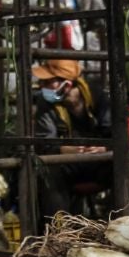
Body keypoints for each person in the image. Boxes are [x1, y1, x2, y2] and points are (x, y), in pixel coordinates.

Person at [32, 59, 112, 218]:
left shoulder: (98, 97)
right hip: (67, 164)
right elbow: (44, 143)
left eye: (48, 81)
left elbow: (116, 136)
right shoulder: (46, 105)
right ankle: (60, 230)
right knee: (48, 171)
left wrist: (103, 148)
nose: (42, 86)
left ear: (66, 85)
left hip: (98, 163)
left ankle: (117, 223)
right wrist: (65, 150)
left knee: (123, 166)